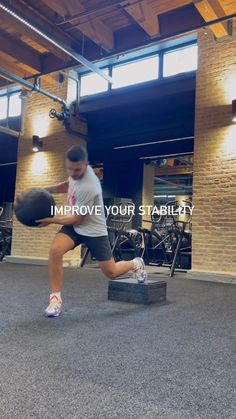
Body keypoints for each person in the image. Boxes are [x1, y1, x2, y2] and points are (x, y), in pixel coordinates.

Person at [37, 145, 147, 317]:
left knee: (111, 272)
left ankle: (136, 263)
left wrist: (51, 220)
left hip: (94, 231)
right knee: (56, 250)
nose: (73, 173)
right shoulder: (76, 172)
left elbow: (77, 219)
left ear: (87, 164)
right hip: (75, 228)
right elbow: (68, 184)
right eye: (70, 169)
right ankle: (55, 300)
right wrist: (47, 189)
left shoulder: (90, 186)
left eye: (77, 170)